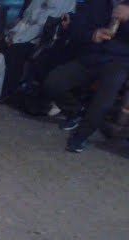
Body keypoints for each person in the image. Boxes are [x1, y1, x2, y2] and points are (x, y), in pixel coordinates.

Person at [42, 0, 129, 152]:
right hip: (92, 55)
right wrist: (92, 35)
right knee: (53, 83)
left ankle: (82, 135)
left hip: (119, 61)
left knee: (104, 100)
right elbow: (77, 26)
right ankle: (75, 112)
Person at [0, 0, 75, 104]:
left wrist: (17, 38)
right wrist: (13, 33)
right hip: (28, 31)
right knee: (3, 43)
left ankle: (9, 91)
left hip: (44, 39)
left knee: (16, 50)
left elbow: (46, 24)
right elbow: (27, 17)